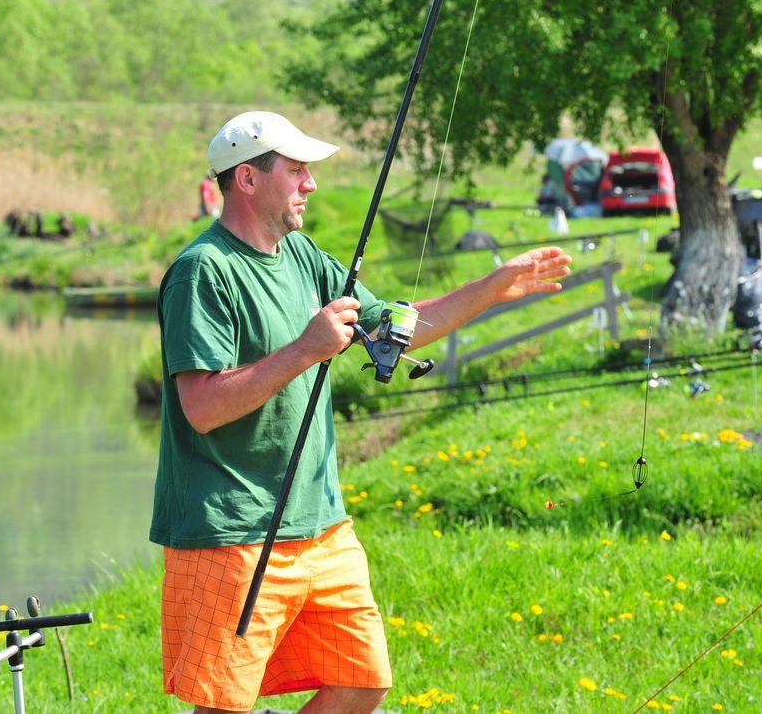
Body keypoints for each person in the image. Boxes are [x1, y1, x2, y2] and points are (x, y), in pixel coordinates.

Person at [154, 111, 572, 714]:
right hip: (230, 532)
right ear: (247, 178)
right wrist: (304, 350)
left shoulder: (303, 256)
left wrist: (493, 286)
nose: (311, 183)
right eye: (296, 170)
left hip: (321, 525)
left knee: (363, 681)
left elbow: (396, 329)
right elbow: (200, 407)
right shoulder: (203, 271)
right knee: (224, 705)